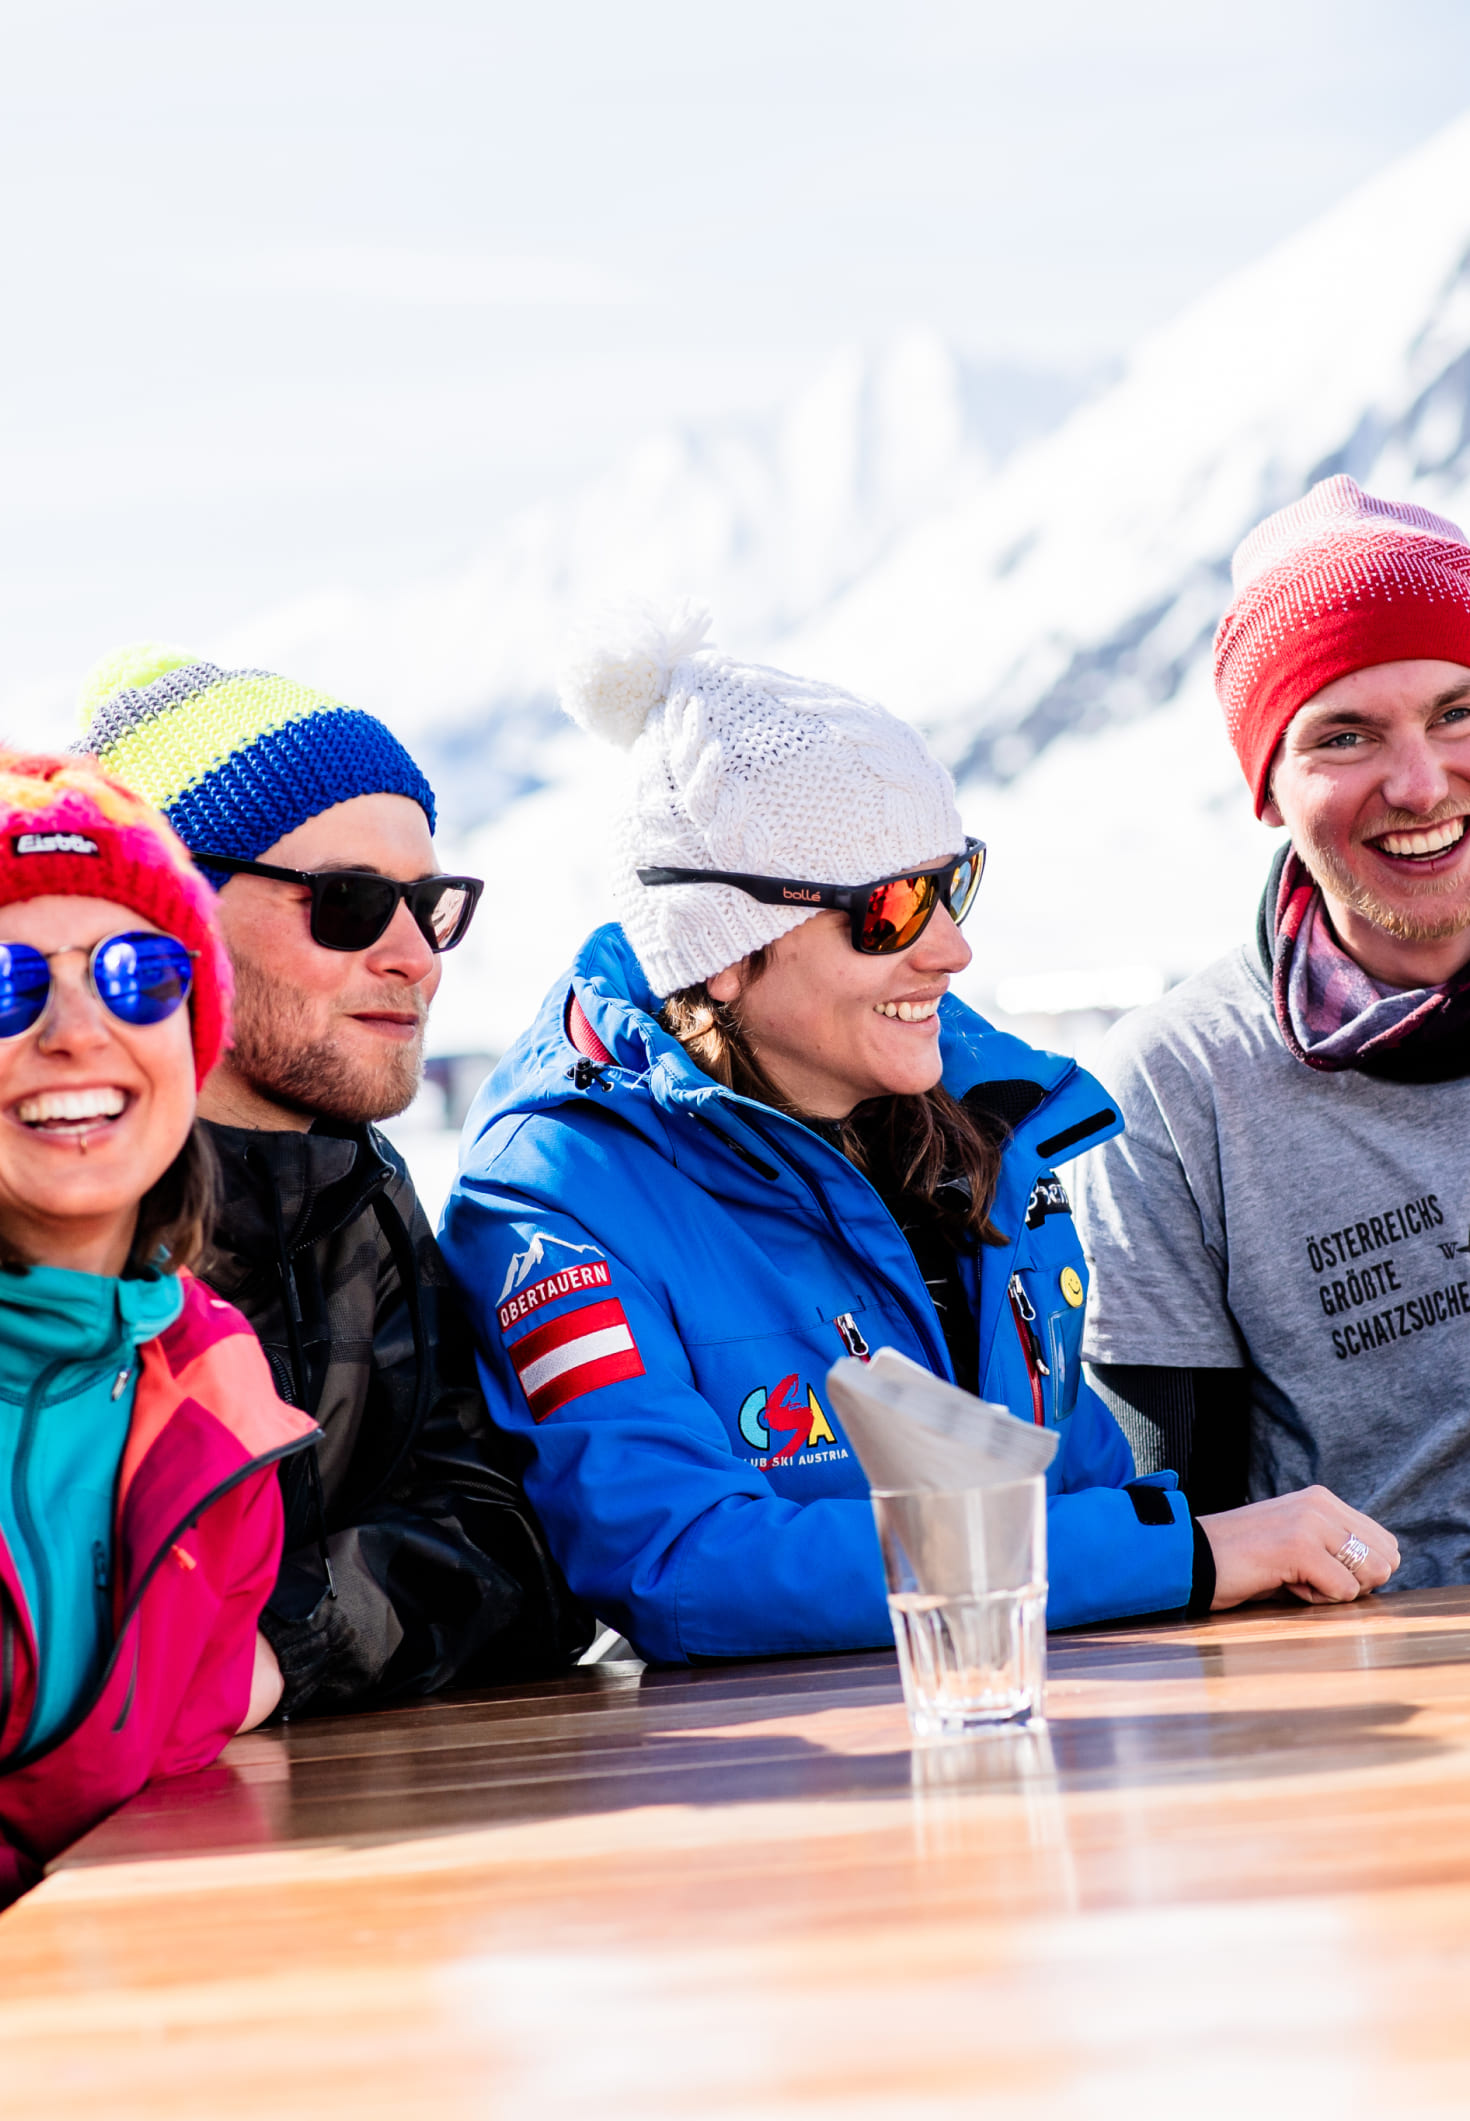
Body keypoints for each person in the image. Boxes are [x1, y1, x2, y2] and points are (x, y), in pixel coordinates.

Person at [439, 608, 1396, 1666]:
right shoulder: (557, 1190)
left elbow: (1080, 1499)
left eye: (953, 882)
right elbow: (686, 1568)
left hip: (1043, 1739)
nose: (952, 946)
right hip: (789, 1792)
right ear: (721, 948)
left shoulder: (995, 1130)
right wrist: (1187, 1556)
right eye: (891, 908)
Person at [77, 647, 588, 1716]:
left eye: (430, 904)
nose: (417, 956)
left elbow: (522, 1552)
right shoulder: (63, 1216)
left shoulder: (360, 1192)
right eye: (351, 901)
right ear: (175, 916)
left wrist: (277, 1655)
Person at [1077, 476, 1470, 1587]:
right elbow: (1170, 1542)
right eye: (1345, 736)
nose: (1420, 780)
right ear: (1267, 790)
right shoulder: (1174, 1093)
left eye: (1458, 711)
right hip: (1378, 1707)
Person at [0, 752, 317, 1907]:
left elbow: (174, 1732)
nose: (79, 1033)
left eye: (137, 976)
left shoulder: (213, 1392)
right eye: (4, 985)